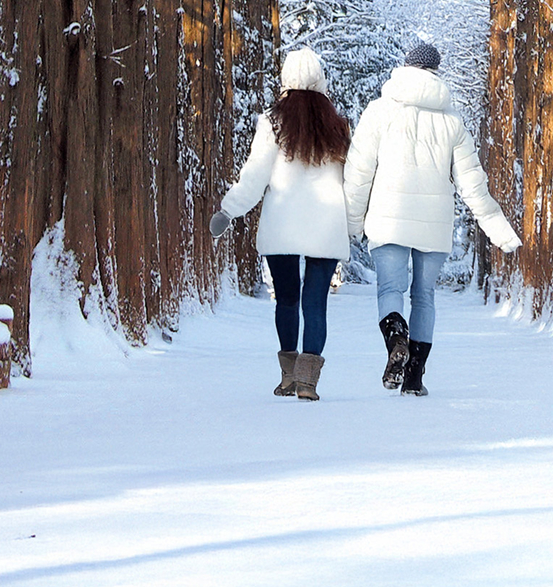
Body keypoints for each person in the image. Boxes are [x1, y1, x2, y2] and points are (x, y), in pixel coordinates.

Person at [344, 42, 520, 397]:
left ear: (405, 68)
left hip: (388, 220)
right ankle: (414, 378)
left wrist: (349, 226)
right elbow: (474, 186)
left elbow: (358, 174)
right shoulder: (452, 122)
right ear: (436, 73)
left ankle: (396, 337)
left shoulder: (378, 112)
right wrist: (503, 234)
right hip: (434, 224)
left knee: (390, 289)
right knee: (424, 296)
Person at [210, 47, 350, 401]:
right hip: (326, 225)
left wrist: (230, 209)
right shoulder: (339, 125)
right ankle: (307, 382)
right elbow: (354, 178)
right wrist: (360, 220)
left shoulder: (272, 121)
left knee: (286, 298)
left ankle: (288, 376)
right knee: (315, 302)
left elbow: (255, 175)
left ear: (285, 79)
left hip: (283, 222)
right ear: (320, 79)